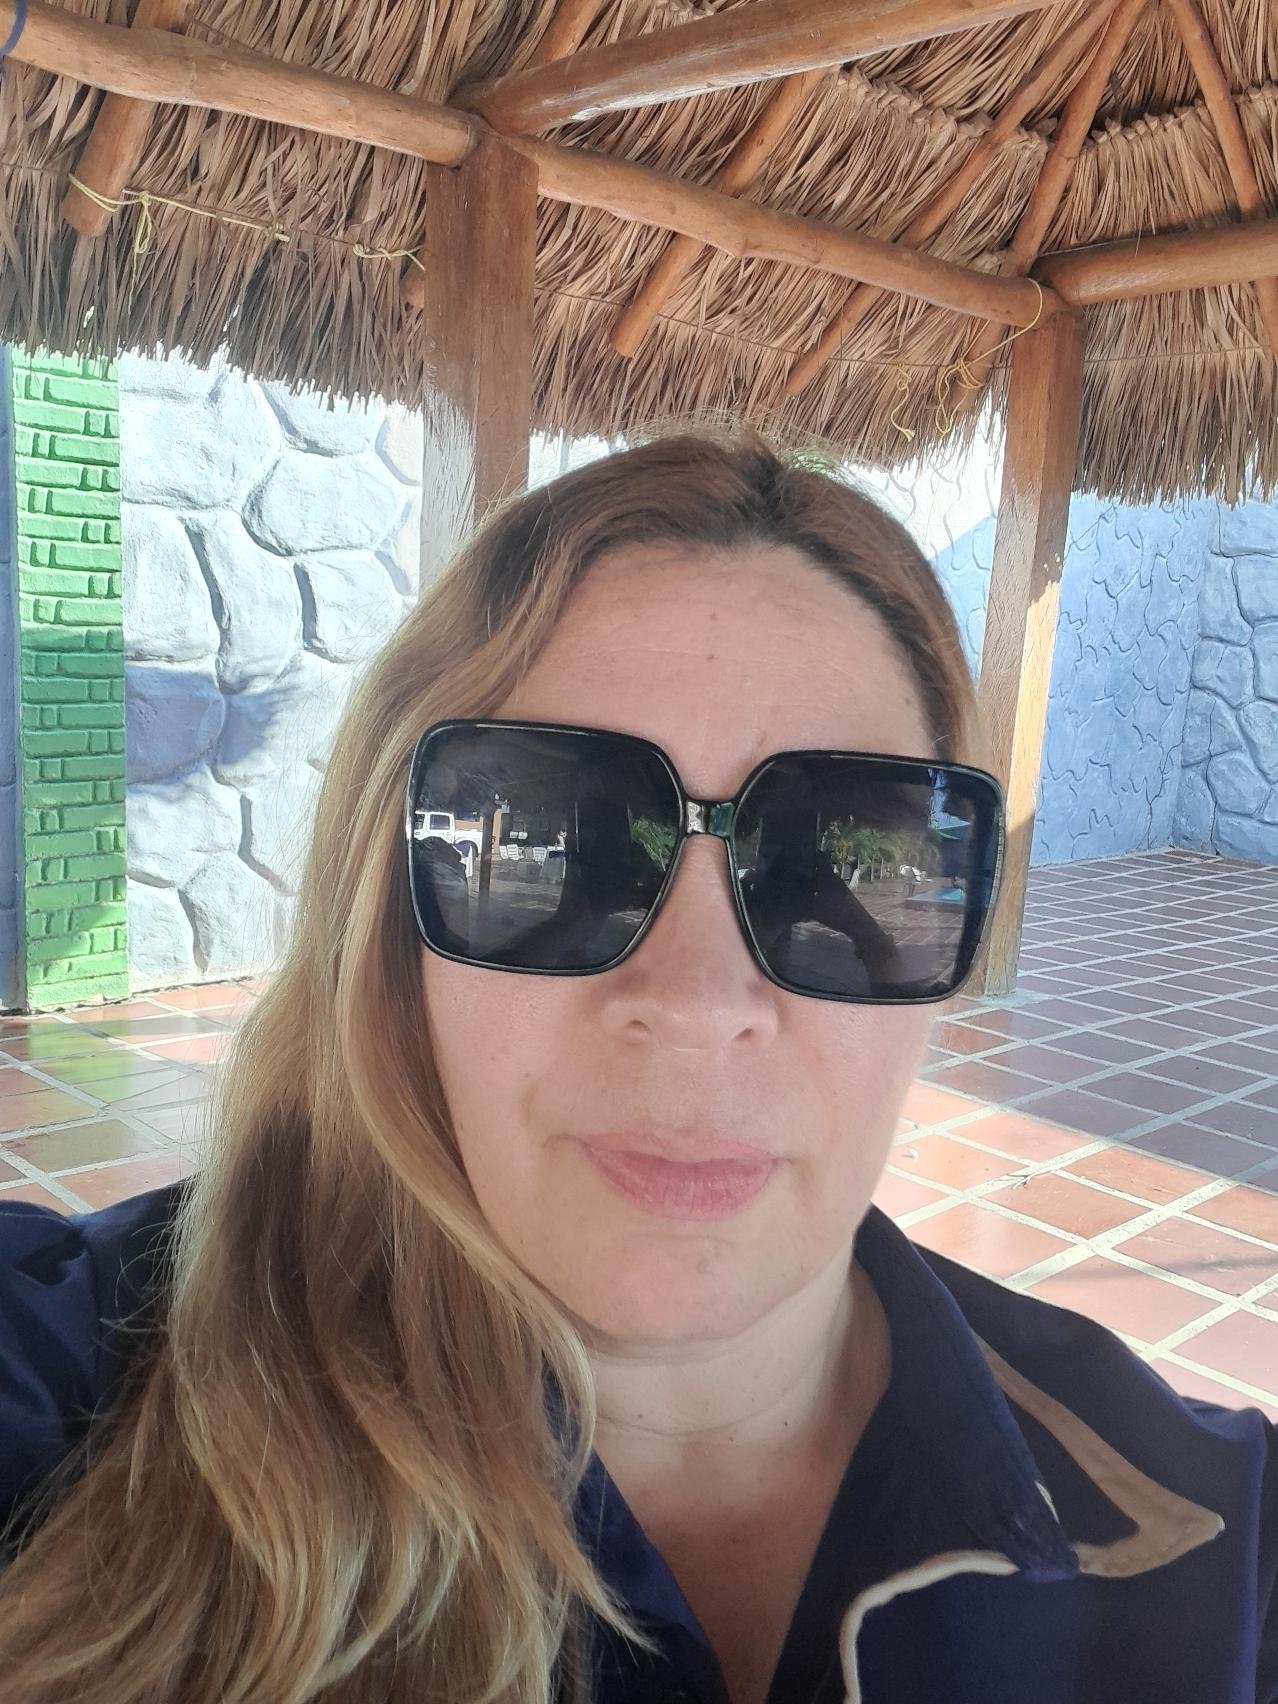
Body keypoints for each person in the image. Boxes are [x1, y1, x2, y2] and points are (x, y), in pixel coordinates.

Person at [0, 431, 1273, 1704]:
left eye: (838, 864)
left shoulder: (1228, 1558)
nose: (697, 1005)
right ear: (389, 925)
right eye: (559, 842)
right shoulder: (71, 1385)